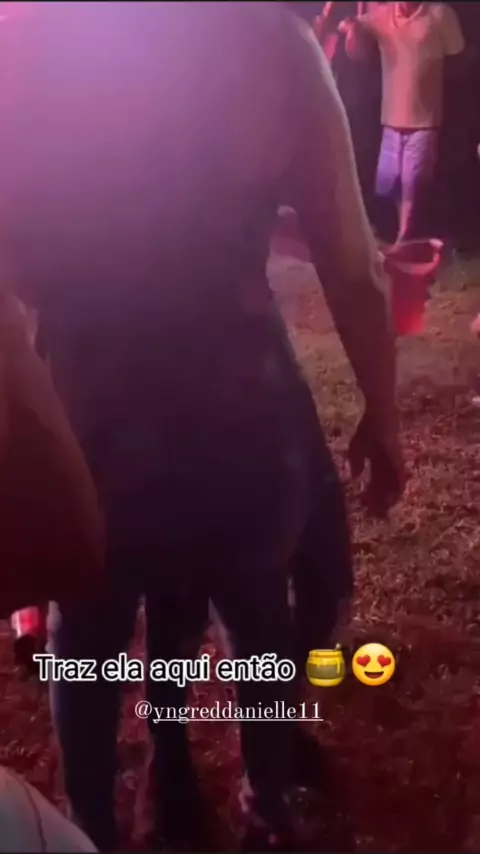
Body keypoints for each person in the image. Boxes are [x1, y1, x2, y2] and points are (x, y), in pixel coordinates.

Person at [0, 2, 403, 850]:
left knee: (89, 639)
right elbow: (354, 264)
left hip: (92, 406)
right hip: (235, 406)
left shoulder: (25, 49)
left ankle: (93, 829)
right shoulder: (267, 43)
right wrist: (383, 412)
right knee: (258, 620)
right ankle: (265, 806)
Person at [343, 2, 465, 245]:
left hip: (425, 120)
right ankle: (400, 235)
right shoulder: (382, 15)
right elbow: (355, 36)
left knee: (413, 184)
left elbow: (457, 54)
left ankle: (404, 239)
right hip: (391, 120)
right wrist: (350, 27)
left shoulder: (440, 15)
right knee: (389, 183)